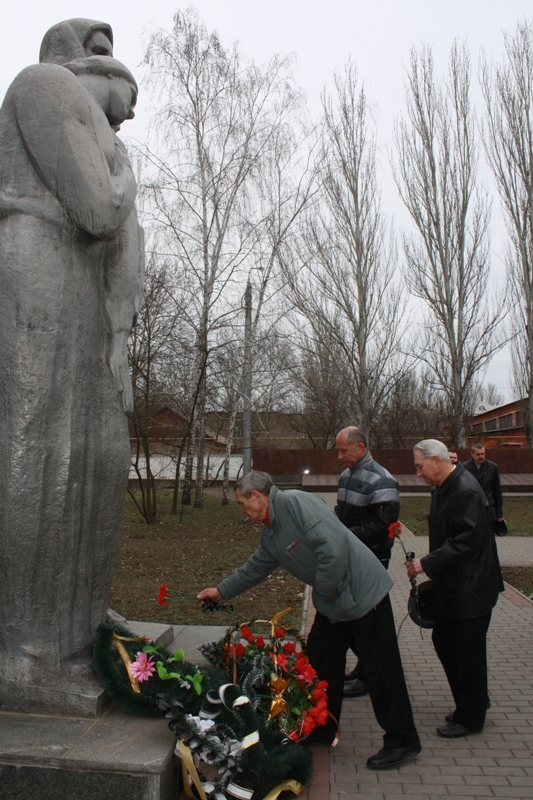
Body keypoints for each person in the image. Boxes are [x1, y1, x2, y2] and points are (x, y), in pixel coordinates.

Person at [0, 21, 141, 697]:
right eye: (125, 100)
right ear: (95, 64)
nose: (128, 117)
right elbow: (99, 207)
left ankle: (76, 624)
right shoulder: (45, 85)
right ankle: (27, 650)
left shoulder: (94, 118)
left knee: (95, 454)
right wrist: (123, 172)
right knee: (39, 454)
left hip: (78, 282)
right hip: (40, 272)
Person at [198, 471, 421, 769]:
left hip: (363, 595)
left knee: (381, 671)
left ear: (258, 496)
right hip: (335, 603)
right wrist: (221, 591)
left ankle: (402, 740)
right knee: (319, 665)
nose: (241, 510)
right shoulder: (272, 531)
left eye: (242, 503)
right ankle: (321, 729)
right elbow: (257, 566)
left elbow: (334, 548)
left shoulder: (295, 504)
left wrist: (325, 590)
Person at [407, 440, 504, 738]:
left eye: (420, 467)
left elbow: (467, 540)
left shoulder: (465, 490)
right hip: (453, 585)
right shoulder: (444, 488)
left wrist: (427, 563)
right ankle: (472, 701)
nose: (419, 474)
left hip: (471, 588)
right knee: (445, 642)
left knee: (467, 653)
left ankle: (470, 717)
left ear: (437, 461)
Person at [335, 426, 400, 697]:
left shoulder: (382, 479)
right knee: (356, 617)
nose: (339, 456)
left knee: (368, 621)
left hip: (372, 558)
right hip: (351, 557)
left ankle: (371, 677)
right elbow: (342, 514)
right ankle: (364, 668)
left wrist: (342, 536)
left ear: (360, 447)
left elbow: (382, 525)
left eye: (343, 450)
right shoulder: (346, 475)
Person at [463, 444, 504, 533]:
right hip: (471, 509)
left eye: (483, 454)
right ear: (472, 454)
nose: (481, 456)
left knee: (489, 537)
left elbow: (497, 491)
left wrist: (499, 514)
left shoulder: (492, 467)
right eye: (478, 454)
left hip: (489, 509)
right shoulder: (464, 468)